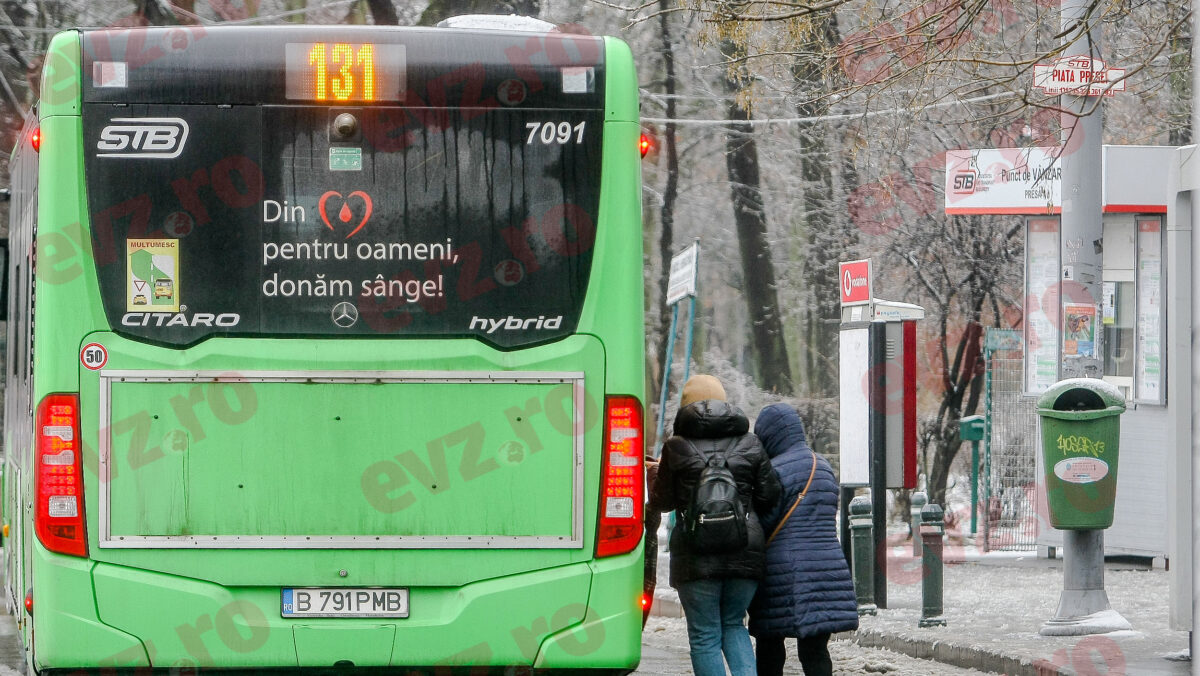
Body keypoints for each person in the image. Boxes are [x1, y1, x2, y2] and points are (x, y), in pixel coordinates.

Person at [648, 375, 782, 676]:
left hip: (695, 557)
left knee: (705, 633)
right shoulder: (751, 443)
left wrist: (657, 474)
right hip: (744, 551)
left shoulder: (676, 447)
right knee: (734, 624)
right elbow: (771, 495)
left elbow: (662, 502)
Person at [748, 403, 859, 676]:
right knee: (815, 649)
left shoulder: (774, 469)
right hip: (827, 566)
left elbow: (766, 520)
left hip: (783, 570)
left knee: (770, 644)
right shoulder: (821, 465)